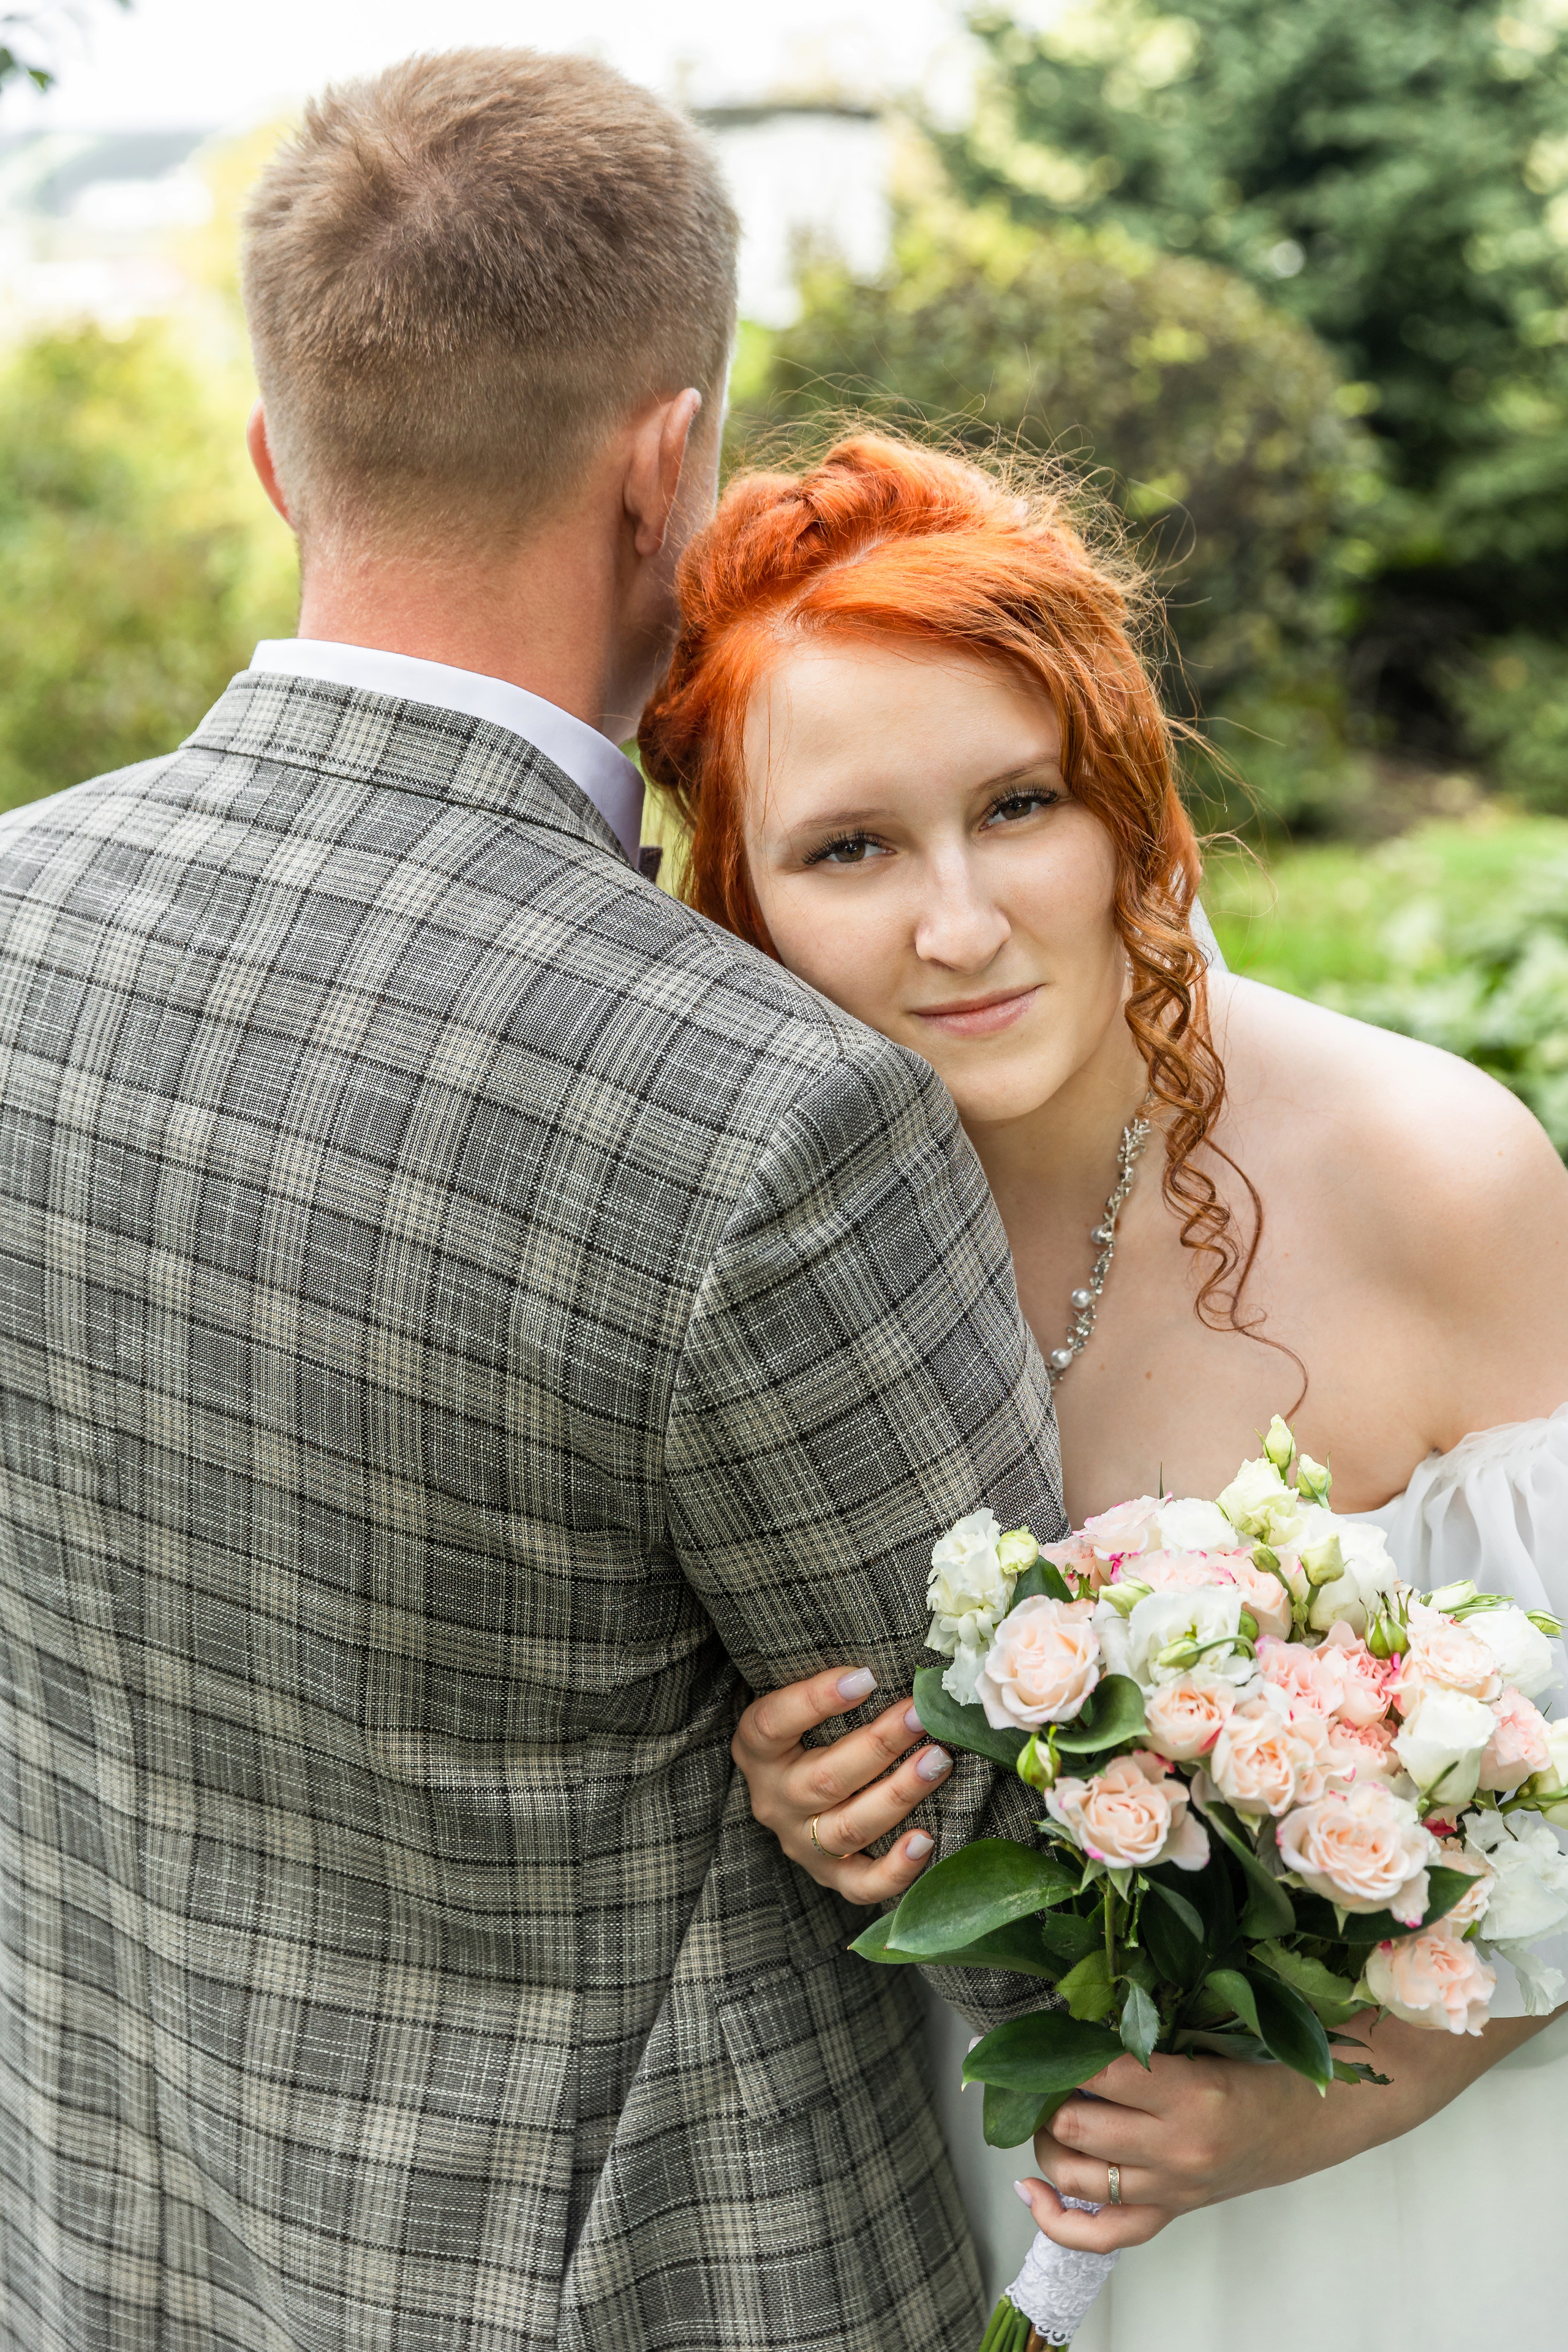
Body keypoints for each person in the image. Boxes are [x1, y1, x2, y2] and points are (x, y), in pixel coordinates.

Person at [0, 59, 1066, 2352]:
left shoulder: (10, 919)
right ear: (668, 464)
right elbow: (1011, 1788)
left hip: (110, 2231)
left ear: (281, 458)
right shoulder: (770, 1110)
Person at [636, 430, 1568, 2349]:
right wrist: (801, 1794)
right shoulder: (749, 1239)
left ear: (1131, 806)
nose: (958, 927)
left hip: (1398, 2216)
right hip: (952, 2189)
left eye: (1020, 806)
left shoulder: (1436, 1177)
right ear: (740, 893)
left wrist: (1306, 2106)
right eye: (852, 848)